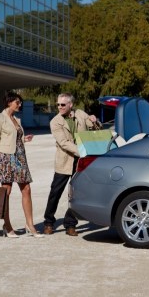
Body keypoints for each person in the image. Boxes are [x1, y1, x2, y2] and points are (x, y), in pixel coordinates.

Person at [43, 93, 100, 236]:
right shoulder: (55, 122)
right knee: (55, 192)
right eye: (58, 104)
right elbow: (63, 143)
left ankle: (70, 224)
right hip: (65, 160)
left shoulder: (80, 114)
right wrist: (83, 151)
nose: (59, 107)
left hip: (81, 161)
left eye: (63, 104)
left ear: (70, 105)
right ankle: (49, 222)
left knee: (76, 193)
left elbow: (95, 129)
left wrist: (94, 120)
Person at [0, 91, 43, 238]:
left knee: (27, 189)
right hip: (6, 159)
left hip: (20, 158)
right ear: (9, 102)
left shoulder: (17, 120)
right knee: (6, 193)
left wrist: (25, 139)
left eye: (20, 102)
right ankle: (7, 225)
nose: (20, 104)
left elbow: (15, 138)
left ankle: (30, 225)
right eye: (17, 102)